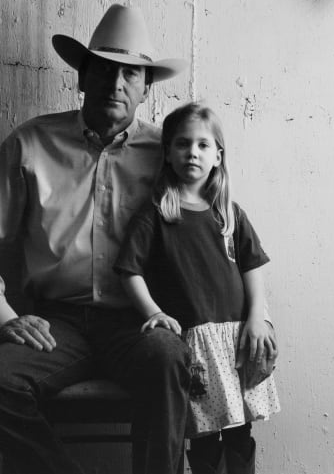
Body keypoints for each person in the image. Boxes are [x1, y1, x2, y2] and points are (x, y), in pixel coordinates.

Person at [0, 3, 192, 474]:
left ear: (147, 87)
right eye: (102, 70)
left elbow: (211, 232)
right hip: (57, 325)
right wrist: (3, 318)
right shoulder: (31, 144)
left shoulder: (170, 154)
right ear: (81, 77)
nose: (115, 84)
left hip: (137, 322)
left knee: (170, 360)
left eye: (130, 73)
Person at [114, 102, 280, 474]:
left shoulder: (230, 214)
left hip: (238, 340)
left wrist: (256, 320)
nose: (193, 152)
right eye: (183, 144)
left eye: (204, 145)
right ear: (168, 154)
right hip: (196, 346)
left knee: (240, 431)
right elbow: (129, 271)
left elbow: (253, 269)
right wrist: (153, 313)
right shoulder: (157, 213)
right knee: (202, 432)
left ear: (218, 156)